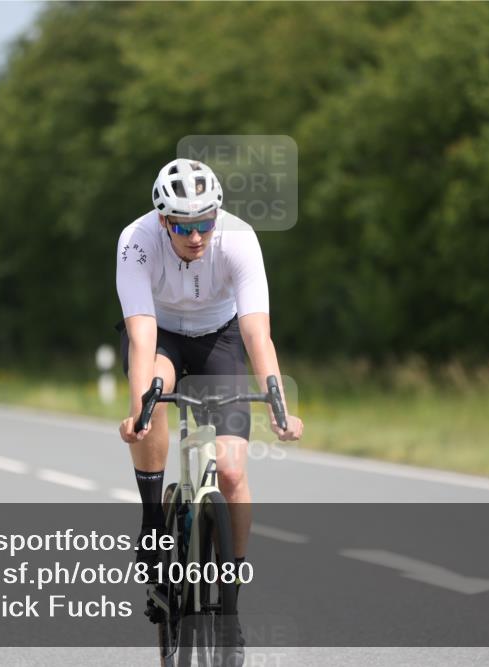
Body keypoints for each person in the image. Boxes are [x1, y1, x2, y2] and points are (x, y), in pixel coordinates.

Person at [116, 159, 304, 656]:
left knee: (234, 473)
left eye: (205, 222)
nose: (197, 235)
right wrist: (139, 409)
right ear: (163, 221)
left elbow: (256, 331)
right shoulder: (136, 240)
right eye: (184, 225)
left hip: (220, 338)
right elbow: (140, 336)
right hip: (162, 337)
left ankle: (232, 607)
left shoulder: (239, 239)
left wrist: (279, 405)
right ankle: (154, 521)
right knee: (153, 397)